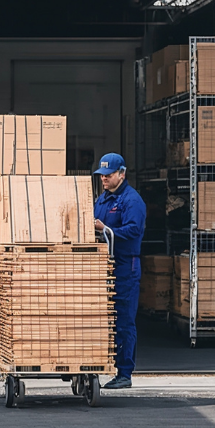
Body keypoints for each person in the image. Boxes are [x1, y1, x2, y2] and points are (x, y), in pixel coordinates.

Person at [92, 153, 145, 390]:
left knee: (124, 320)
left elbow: (133, 230)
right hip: (104, 266)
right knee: (102, 319)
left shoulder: (131, 201)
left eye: (108, 175)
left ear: (121, 174)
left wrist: (106, 229)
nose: (104, 179)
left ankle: (124, 373)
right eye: (102, 175)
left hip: (125, 266)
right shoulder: (102, 200)